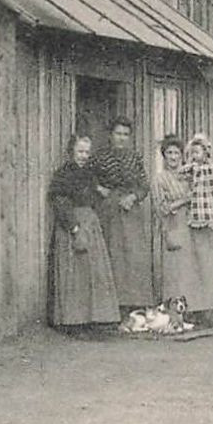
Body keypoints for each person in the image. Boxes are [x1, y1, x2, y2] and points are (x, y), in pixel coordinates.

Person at [48, 134, 120, 334]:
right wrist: (74, 228)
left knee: (93, 273)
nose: (84, 156)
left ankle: (93, 319)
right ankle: (73, 321)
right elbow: (60, 202)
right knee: (75, 274)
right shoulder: (63, 175)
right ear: (71, 151)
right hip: (73, 225)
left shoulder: (90, 174)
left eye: (87, 152)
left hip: (91, 223)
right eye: (80, 151)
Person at [92, 117, 155, 310]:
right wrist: (98, 188)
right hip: (109, 211)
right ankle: (112, 307)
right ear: (110, 135)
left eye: (125, 135)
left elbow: (144, 185)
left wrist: (134, 197)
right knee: (113, 256)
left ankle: (134, 305)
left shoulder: (134, 157)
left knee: (134, 257)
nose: (121, 138)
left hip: (131, 211)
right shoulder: (99, 157)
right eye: (118, 134)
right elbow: (87, 177)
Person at [179, 132, 213, 324]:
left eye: (199, 152)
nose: (196, 156)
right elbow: (182, 173)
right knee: (192, 265)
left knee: (206, 264)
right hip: (191, 220)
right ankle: (194, 307)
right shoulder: (191, 170)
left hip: (205, 221)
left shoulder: (209, 169)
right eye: (193, 153)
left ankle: (207, 307)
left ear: (206, 153)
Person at [152, 136, 197, 317]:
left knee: (189, 268)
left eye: (176, 153)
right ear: (164, 156)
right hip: (171, 225)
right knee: (173, 269)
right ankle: (171, 309)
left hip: (190, 224)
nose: (173, 157)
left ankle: (190, 309)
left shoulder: (189, 176)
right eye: (169, 153)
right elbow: (161, 208)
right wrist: (183, 201)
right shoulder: (160, 179)